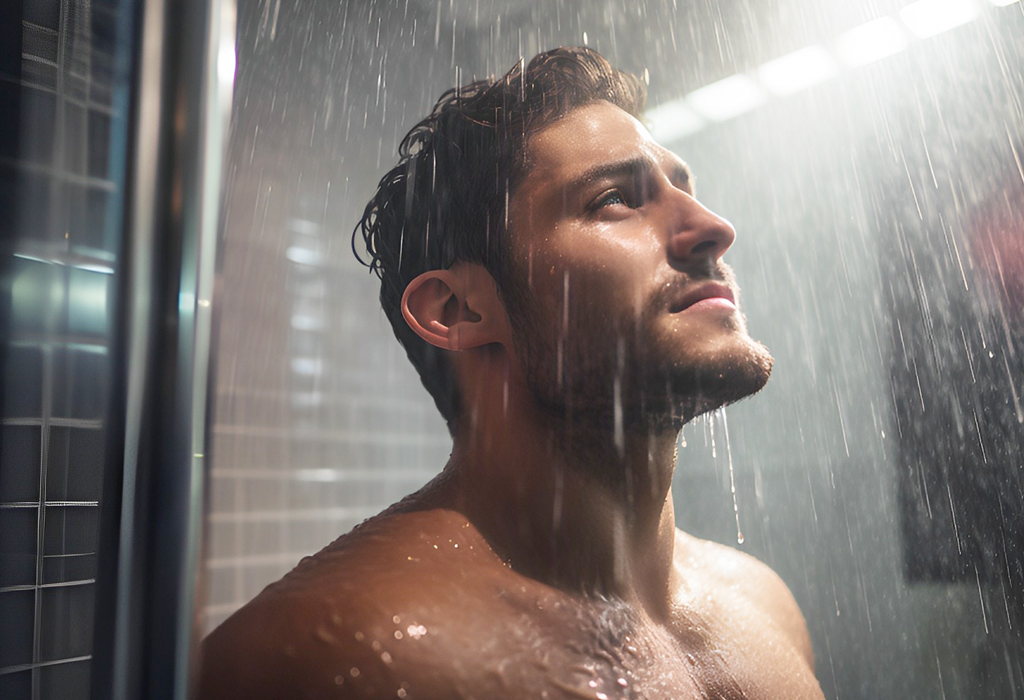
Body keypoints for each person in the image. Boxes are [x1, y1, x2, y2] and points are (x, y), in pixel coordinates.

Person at [198, 47, 824, 699]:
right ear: (459, 309)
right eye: (614, 200)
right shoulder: (325, 654)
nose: (712, 229)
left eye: (683, 190)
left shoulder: (763, 602)